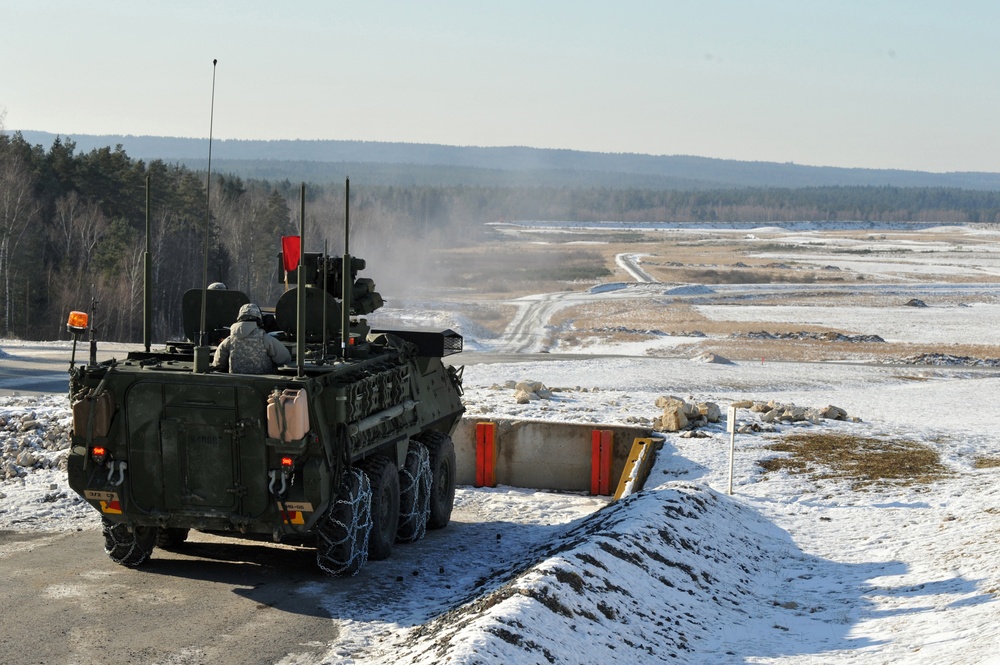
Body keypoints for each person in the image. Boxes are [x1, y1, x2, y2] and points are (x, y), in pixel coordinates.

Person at [213, 303, 291, 374]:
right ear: (259, 319)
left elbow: (218, 363)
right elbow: (285, 358)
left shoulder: (230, 339)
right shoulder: (265, 338)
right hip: (262, 384)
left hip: (236, 383)